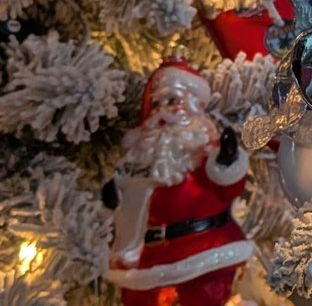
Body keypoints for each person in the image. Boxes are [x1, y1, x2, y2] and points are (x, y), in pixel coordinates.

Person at [101, 57, 252, 306]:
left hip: (204, 250)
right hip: (149, 256)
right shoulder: (139, 159)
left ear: (194, 104)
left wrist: (227, 160)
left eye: (172, 101)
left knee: (206, 297)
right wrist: (112, 200)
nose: (162, 110)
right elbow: (126, 207)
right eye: (156, 103)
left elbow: (228, 187)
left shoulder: (203, 152)